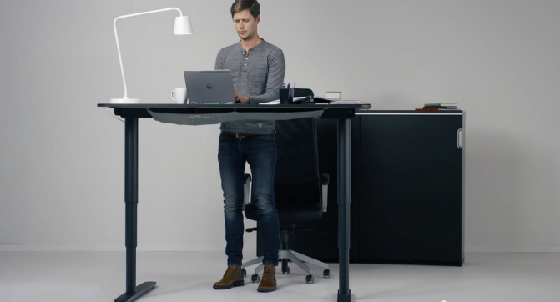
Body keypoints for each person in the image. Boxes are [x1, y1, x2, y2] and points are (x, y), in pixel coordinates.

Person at [212, 0, 286, 293]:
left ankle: (270, 267)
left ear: (257, 19)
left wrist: (246, 98)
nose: (241, 26)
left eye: (245, 20)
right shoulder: (224, 54)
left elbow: (274, 95)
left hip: (261, 137)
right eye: (236, 21)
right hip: (229, 137)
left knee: (265, 203)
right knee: (231, 206)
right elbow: (214, 91)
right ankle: (234, 267)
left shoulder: (273, 54)